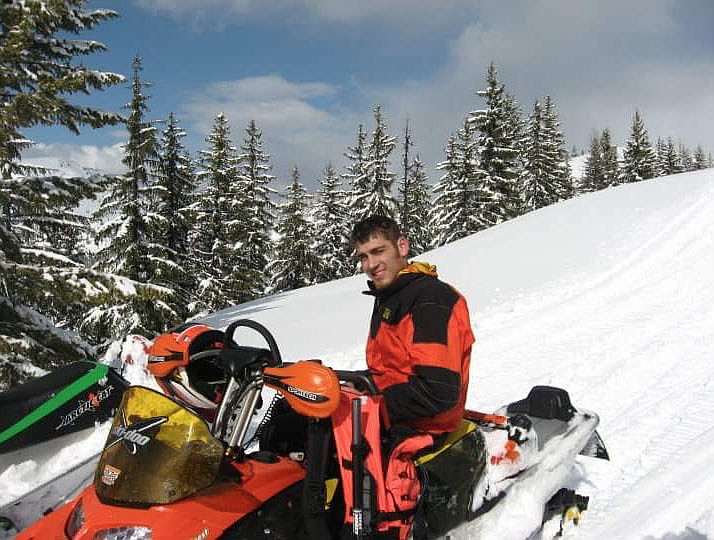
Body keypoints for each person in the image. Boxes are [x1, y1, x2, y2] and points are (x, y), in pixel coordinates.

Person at [351, 215, 475, 435]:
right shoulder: (391, 296)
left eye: (379, 252)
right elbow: (389, 372)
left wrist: (367, 404)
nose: (370, 265)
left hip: (424, 428)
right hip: (398, 419)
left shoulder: (430, 299)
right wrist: (356, 385)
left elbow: (437, 391)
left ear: (402, 246)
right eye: (363, 257)